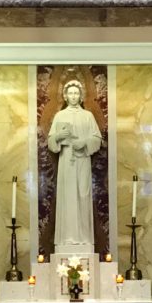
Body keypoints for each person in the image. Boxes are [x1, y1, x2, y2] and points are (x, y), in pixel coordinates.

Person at [47, 79, 102, 248]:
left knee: (83, 195)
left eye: (76, 93)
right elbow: (51, 141)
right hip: (66, 162)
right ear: (65, 96)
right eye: (70, 93)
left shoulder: (87, 116)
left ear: (81, 95)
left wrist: (84, 143)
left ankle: (84, 238)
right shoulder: (60, 116)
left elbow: (97, 138)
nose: (73, 96)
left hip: (82, 160)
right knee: (67, 197)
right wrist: (59, 136)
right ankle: (66, 238)